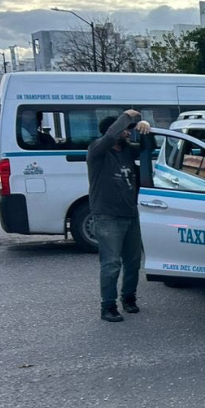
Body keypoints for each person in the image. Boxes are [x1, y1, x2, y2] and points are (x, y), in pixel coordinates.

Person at [87, 110, 152, 322]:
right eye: (125, 130)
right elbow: (109, 137)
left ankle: (129, 298)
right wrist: (126, 116)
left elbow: (148, 149)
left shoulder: (126, 151)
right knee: (111, 263)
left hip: (130, 214)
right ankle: (108, 306)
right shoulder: (98, 150)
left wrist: (145, 130)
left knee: (133, 261)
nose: (128, 133)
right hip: (107, 216)